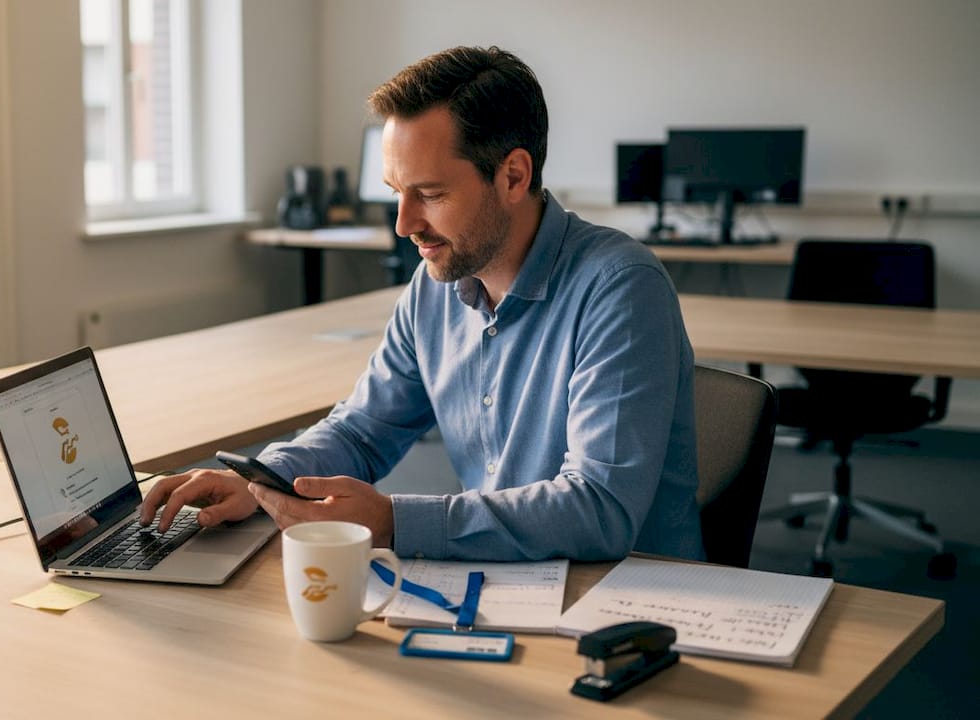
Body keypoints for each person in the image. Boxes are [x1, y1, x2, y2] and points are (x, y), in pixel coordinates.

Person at [141, 45, 703, 562]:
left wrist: (393, 521)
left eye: (430, 195)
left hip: (631, 605)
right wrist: (263, 479)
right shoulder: (434, 286)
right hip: (503, 584)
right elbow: (362, 431)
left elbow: (599, 511)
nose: (405, 224)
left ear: (513, 175)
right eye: (396, 192)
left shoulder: (620, 287)